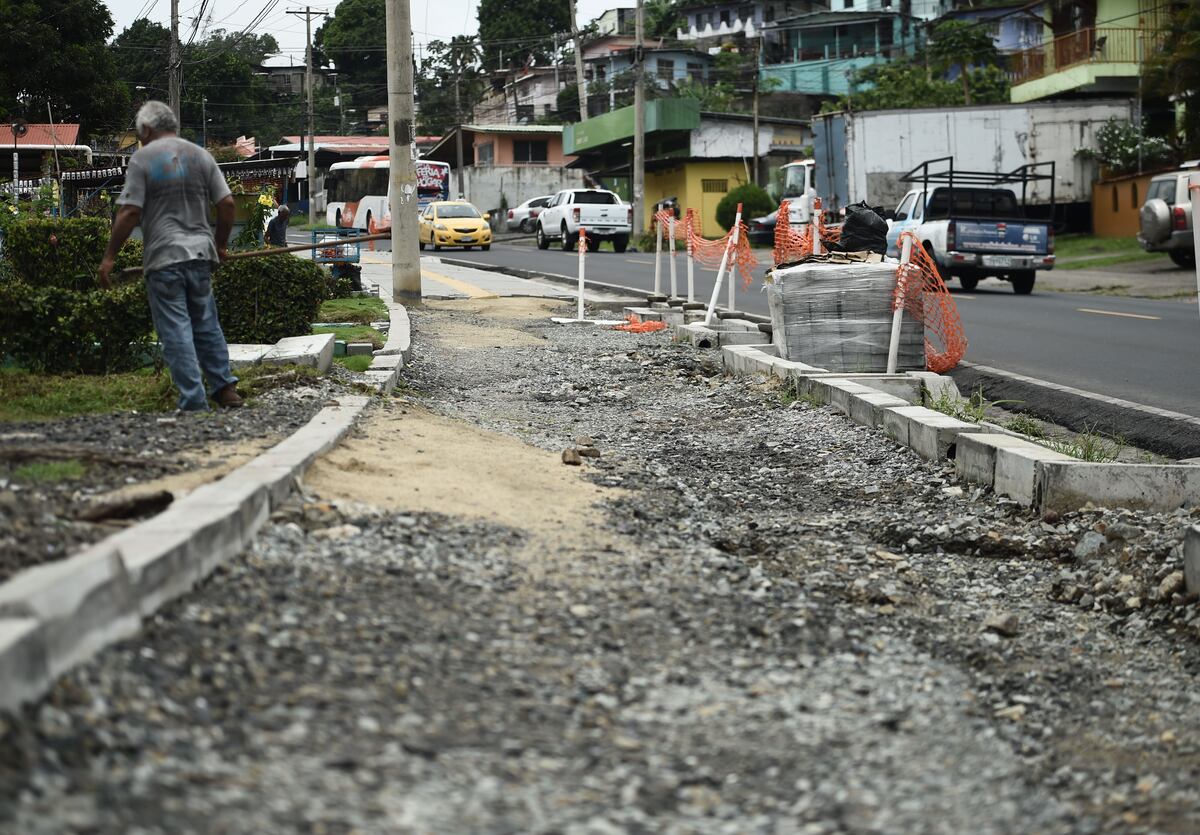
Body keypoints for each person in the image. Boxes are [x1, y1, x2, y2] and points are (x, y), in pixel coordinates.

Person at [97, 101, 242, 411]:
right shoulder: (201, 155)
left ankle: (193, 401)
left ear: (146, 129)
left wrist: (109, 257)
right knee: (206, 323)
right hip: (201, 254)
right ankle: (225, 388)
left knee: (175, 327)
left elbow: (130, 212)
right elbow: (227, 204)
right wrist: (220, 245)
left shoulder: (143, 158)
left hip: (164, 258)